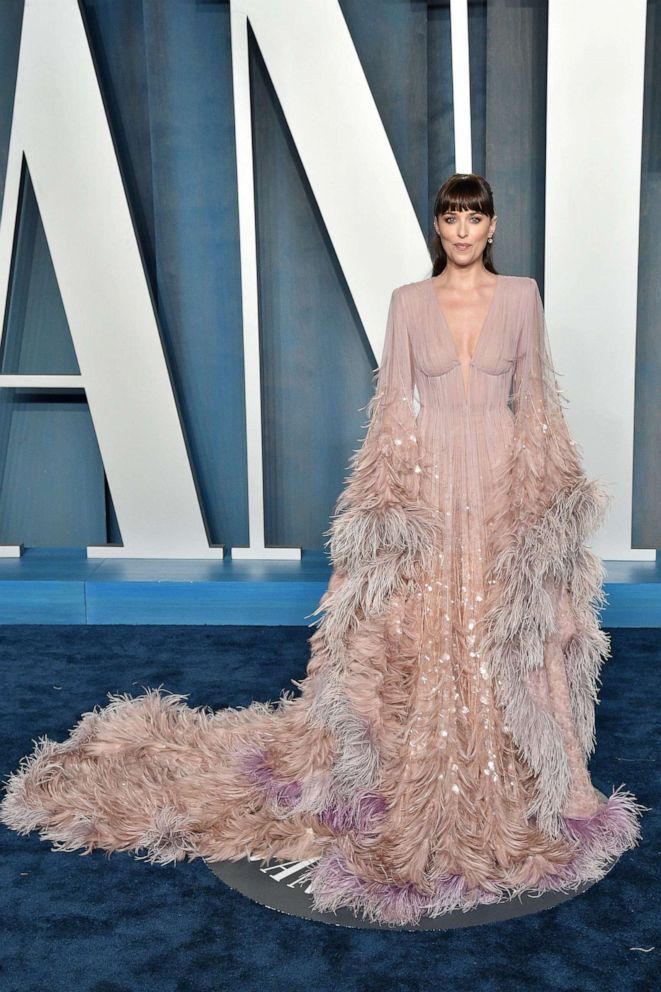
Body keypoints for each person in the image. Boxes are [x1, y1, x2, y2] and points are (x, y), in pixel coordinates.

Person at [0, 173, 644, 927]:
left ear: (492, 227)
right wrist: (376, 506)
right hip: (428, 485)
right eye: (450, 217)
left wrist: (551, 499)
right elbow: (391, 410)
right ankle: (414, 770)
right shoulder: (409, 302)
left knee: (504, 623)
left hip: (501, 484)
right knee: (414, 626)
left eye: (474, 218)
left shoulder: (521, 297)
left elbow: (535, 401)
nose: (462, 230)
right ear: (437, 227)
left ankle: (510, 771)